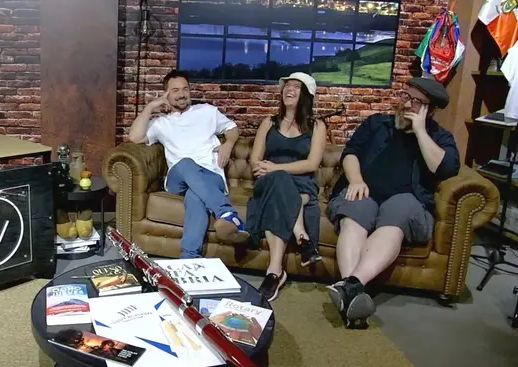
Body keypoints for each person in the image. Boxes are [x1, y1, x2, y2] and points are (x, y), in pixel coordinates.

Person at [325, 77, 460, 323]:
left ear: (430, 110)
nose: (406, 104)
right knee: (355, 212)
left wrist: (420, 131)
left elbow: (445, 168)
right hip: (365, 192)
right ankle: (352, 293)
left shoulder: (439, 137)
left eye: (417, 102)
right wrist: (355, 179)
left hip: (407, 200)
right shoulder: (377, 123)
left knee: (398, 211)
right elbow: (351, 152)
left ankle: (349, 287)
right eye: (406, 96)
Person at [128, 70, 248, 258]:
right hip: (178, 179)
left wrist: (229, 144)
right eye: (175, 90)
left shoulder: (207, 111)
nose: (182, 94)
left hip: (211, 176)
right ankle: (227, 214)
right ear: (166, 94)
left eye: (185, 89)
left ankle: (189, 257)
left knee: (195, 197)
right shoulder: (161, 123)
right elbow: (134, 137)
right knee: (186, 163)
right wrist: (151, 106)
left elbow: (231, 128)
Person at [245, 72, 326, 301]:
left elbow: (312, 163)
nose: (289, 90)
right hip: (268, 182)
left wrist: (277, 168)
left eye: (296, 87)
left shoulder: (317, 126)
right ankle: (302, 236)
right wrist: (268, 170)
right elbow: (255, 159)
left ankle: (274, 272)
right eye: (287, 86)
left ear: (306, 95)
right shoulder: (269, 122)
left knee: (281, 197)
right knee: (279, 183)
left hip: (301, 182)